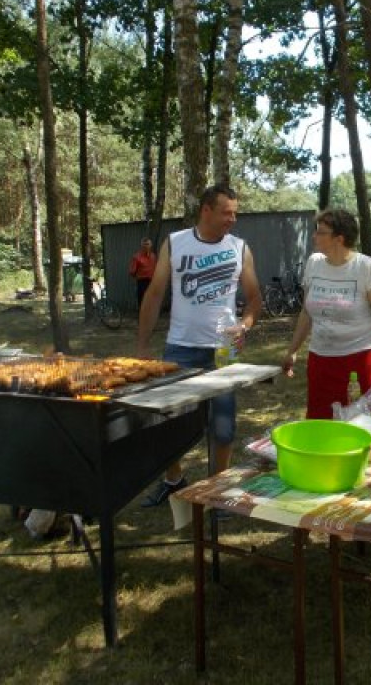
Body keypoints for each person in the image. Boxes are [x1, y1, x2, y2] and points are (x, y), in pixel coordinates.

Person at [136, 184, 263, 507]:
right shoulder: (176, 243)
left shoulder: (240, 247)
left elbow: (254, 299)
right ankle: (173, 481)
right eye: (226, 212)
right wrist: (142, 346)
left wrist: (245, 324)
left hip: (221, 354)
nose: (232, 219)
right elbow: (154, 294)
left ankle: (217, 491)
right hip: (179, 348)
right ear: (206, 210)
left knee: (223, 428)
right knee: (167, 426)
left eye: (235, 213)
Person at [281, 210, 371, 418]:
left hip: (361, 360)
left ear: (339, 238)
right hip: (321, 360)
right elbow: (306, 313)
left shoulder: (365, 267)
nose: (314, 236)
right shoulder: (314, 263)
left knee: (363, 424)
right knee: (321, 422)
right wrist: (293, 350)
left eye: (320, 232)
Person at [128, 237, 157, 309]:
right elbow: (132, 271)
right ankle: (142, 318)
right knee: (143, 302)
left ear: (151, 245)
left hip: (152, 282)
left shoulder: (153, 256)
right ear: (142, 246)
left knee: (152, 301)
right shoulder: (137, 257)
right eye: (144, 244)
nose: (146, 246)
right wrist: (139, 276)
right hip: (142, 282)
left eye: (148, 244)